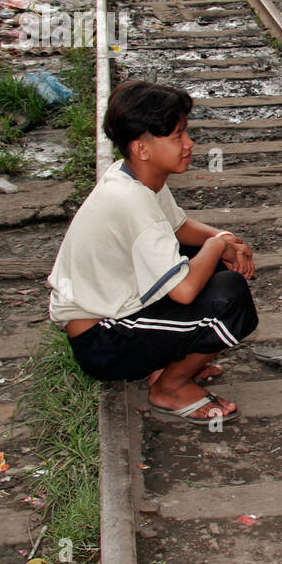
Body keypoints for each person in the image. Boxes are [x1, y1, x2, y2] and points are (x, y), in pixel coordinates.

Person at [47, 81, 258, 426]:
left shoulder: (133, 176)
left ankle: (167, 359)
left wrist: (225, 237)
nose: (189, 144)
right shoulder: (132, 200)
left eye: (185, 133)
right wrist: (218, 246)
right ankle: (170, 388)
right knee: (230, 297)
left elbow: (178, 228)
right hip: (103, 341)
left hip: (114, 317)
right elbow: (185, 290)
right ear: (142, 148)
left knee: (205, 255)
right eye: (177, 137)